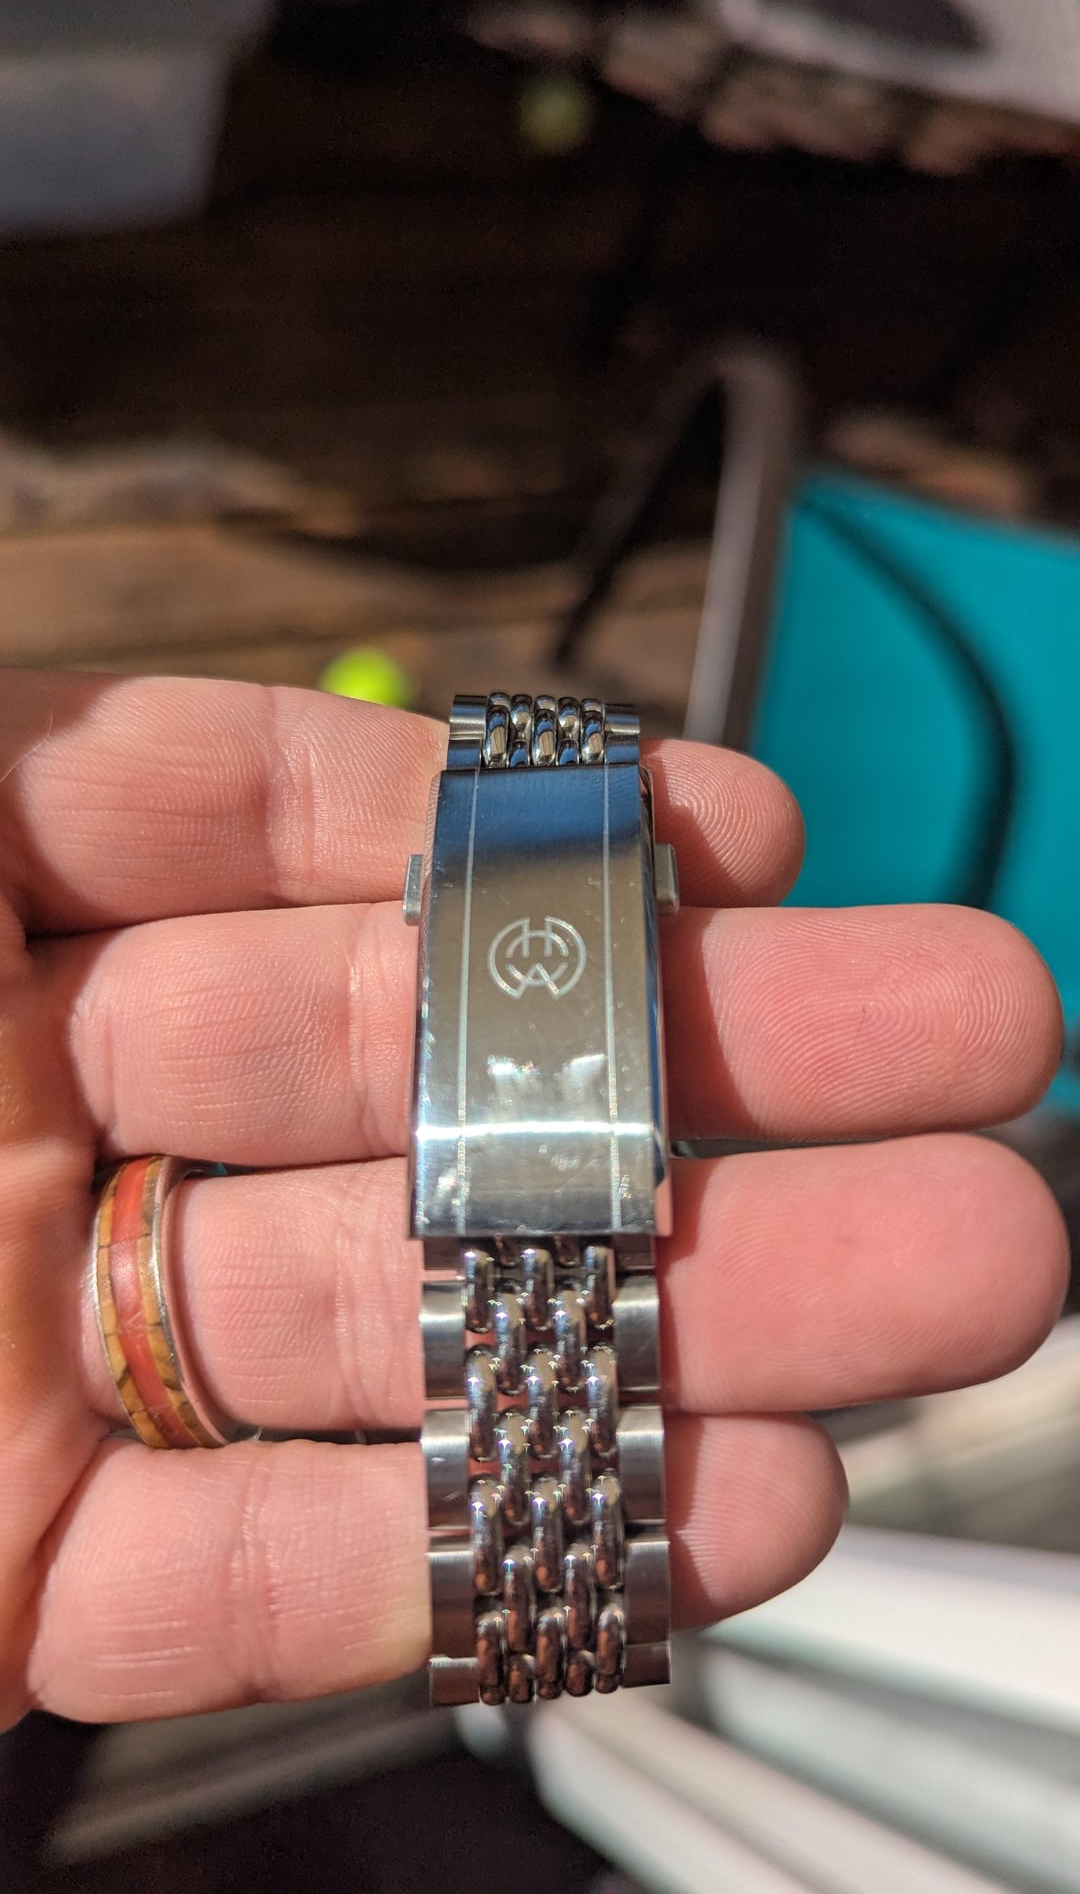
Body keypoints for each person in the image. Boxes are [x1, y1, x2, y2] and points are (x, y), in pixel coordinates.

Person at [0, 669, 1066, 1729]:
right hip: (528, 1195)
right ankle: (549, 1620)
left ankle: (550, 1620)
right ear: (425, 896)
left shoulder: (546, 807)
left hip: (539, 1196)